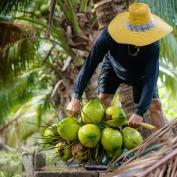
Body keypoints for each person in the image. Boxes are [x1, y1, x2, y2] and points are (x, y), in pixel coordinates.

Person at [66, 3, 173, 129]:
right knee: (103, 100)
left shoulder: (153, 44)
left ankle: (168, 145)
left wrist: (139, 112)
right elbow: (89, 65)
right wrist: (76, 97)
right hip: (113, 68)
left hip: (141, 75)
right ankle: (104, 142)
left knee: (155, 106)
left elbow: (151, 78)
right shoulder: (108, 35)